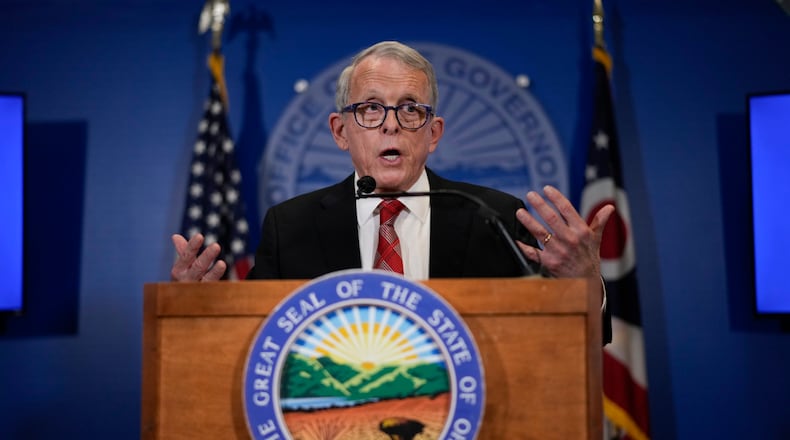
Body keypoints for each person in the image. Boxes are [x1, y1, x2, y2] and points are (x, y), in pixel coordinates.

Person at [171, 41, 614, 341]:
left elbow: (551, 340)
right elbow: (257, 343)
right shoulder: (290, 227)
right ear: (340, 131)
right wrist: (195, 313)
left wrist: (583, 286)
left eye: (409, 109)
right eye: (369, 108)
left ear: (433, 133)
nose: (390, 123)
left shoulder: (492, 216)